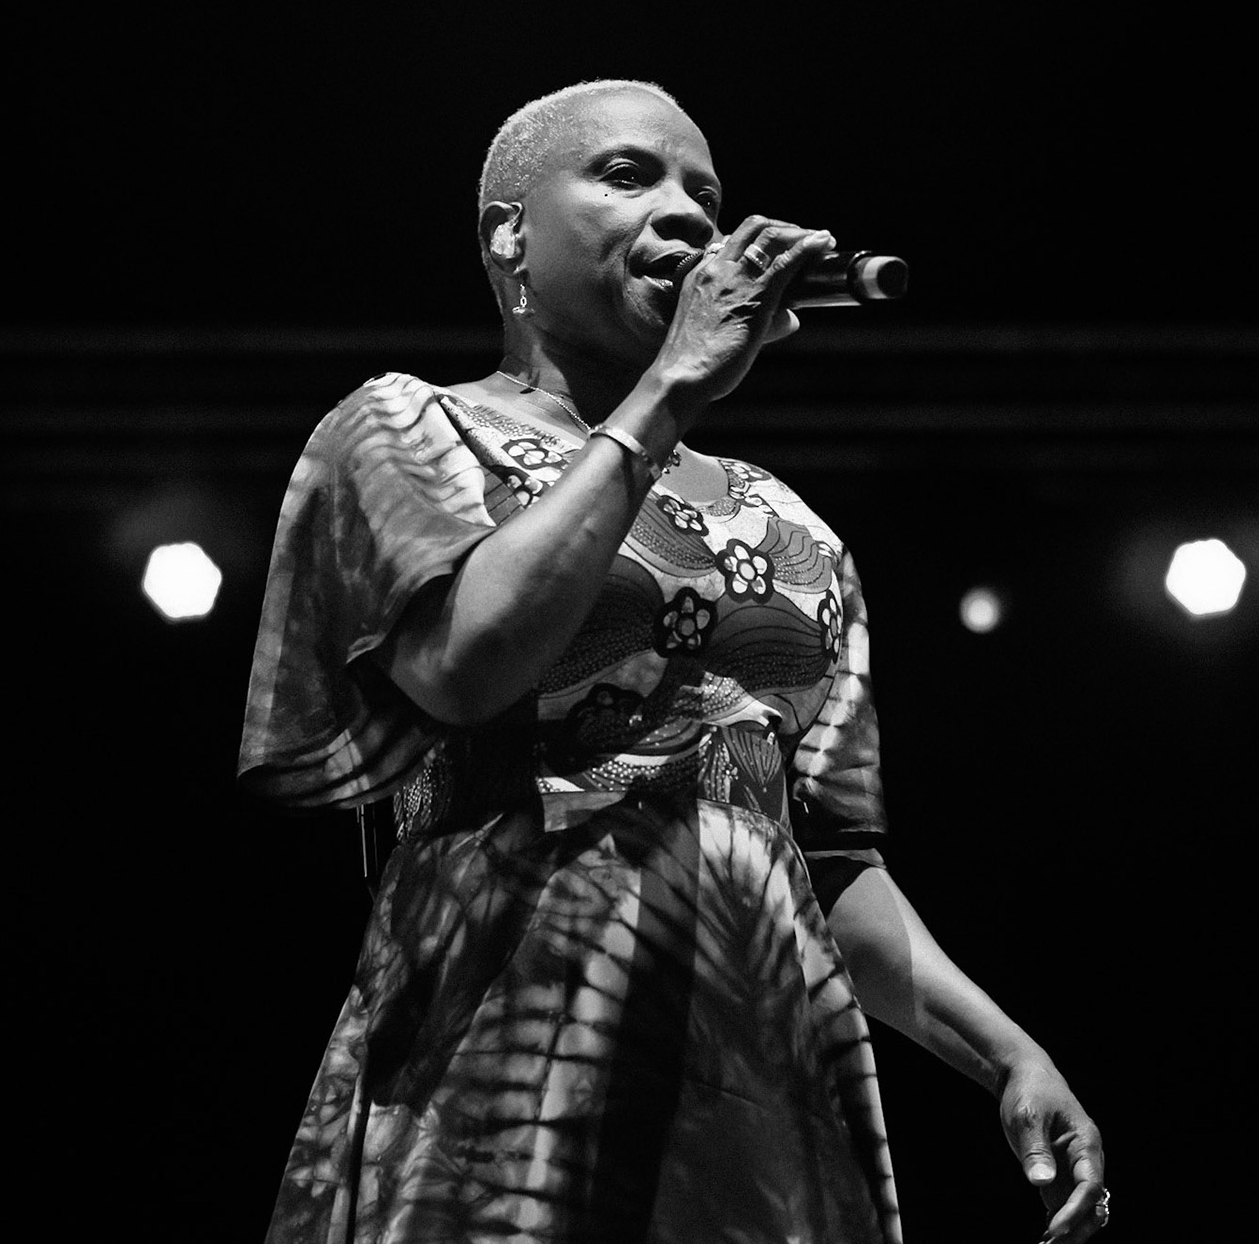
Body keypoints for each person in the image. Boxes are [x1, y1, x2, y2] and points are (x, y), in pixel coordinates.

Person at [239, 79, 1107, 1244]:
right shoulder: (410, 428)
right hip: (514, 1036)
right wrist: (664, 399)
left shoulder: (787, 526)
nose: (690, 215)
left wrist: (1004, 1050)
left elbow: (831, 857)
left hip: (759, 1053)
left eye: (705, 190)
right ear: (508, 233)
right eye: (628, 174)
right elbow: (465, 667)